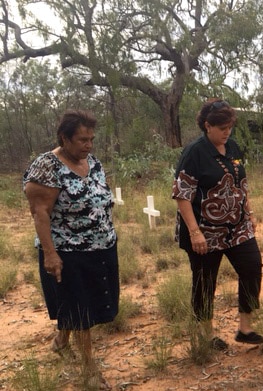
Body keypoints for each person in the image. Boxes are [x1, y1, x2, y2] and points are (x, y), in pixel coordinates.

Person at [23, 109, 118, 390]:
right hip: (67, 250)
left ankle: (61, 340)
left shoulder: (92, 161)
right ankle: (89, 369)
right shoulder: (46, 167)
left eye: (91, 139)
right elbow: (40, 212)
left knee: (88, 302)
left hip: (101, 246)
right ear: (64, 138)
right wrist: (51, 254)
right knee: (81, 308)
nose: (88, 145)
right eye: (81, 140)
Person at [172, 99, 263, 350]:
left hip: (237, 227)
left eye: (230, 127)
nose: (227, 132)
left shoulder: (232, 147)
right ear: (207, 126)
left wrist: (249, 213)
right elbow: (182, 194)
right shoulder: (195, 152)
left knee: (252, 265)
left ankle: (245, 328)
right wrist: (194, 232)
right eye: (222, 128)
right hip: (205, 231)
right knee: (205, 281)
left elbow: (239, 184)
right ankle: (206, 335)